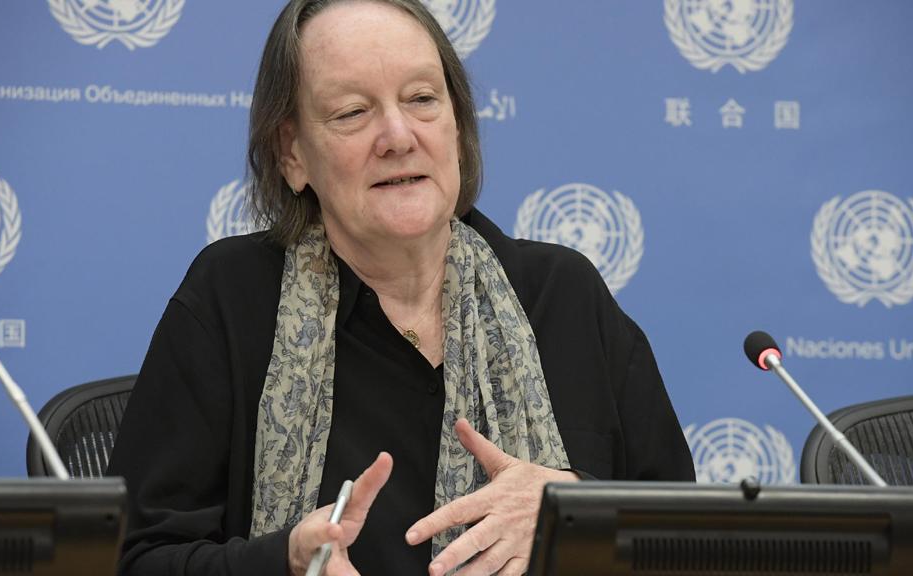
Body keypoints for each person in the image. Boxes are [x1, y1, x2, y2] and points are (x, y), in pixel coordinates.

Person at [106, 0, 695, 574]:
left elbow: (688, 539)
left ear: (457, 126)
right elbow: (132, 557)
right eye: (351, 112)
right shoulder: (232, 298)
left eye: (421, 100)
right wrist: (282, 562)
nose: (397, 135)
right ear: (293, 155)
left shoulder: (564, 296)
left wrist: (572, 511)